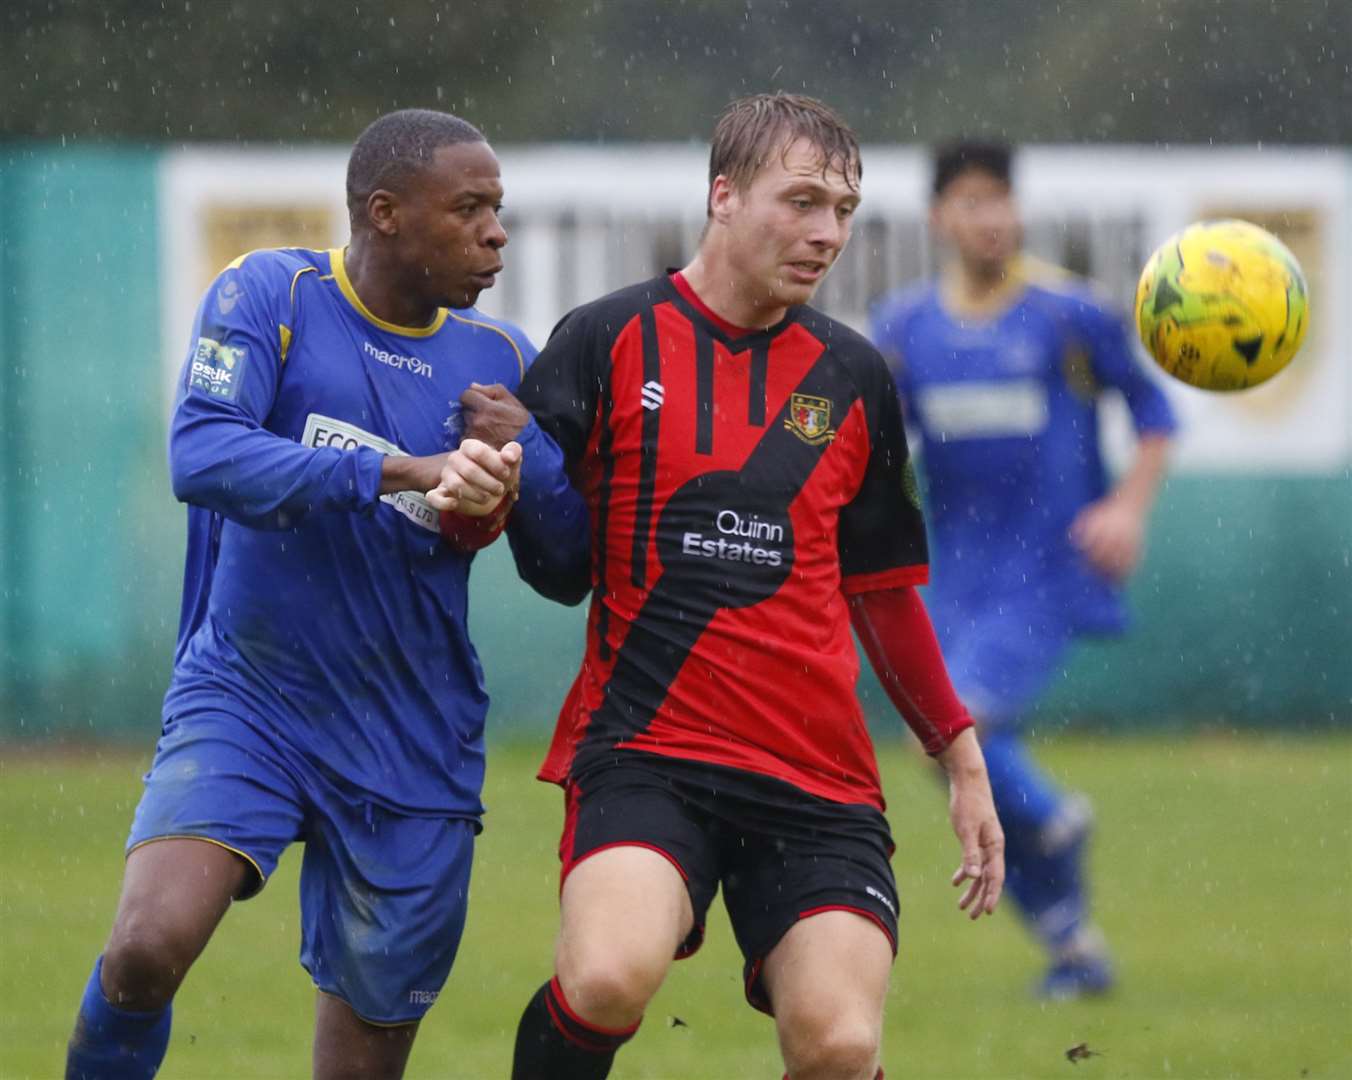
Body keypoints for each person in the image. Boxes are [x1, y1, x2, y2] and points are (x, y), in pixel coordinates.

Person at [438, 93, 1005, 1080]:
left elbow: (882, 593)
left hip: (814, 781)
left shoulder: (853, 377)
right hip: (647, 755)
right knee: (609, 975)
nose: (825, 232)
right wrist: (479, 492)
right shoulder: (607, 339)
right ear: (723, 195)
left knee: (837, 1044)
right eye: (800, 202)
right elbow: (539, 550)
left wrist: (958, 758)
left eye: (842, 208)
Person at [65, 108, 581, 1080]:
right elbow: (203, 452)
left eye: (498, 209)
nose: (496, 232)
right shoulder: (274, 294)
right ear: (384, 214)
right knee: (144, 948)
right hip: (253, 693)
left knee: (359, 1066)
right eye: (468, 208)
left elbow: (569, 569)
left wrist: (530, 464)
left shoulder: (501, 361)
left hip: (412, 733)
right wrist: (406, 469)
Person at [869, 140, 1178, 999]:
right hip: (952, 575)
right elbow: (883, 452)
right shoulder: (905, 330)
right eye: (971, 201)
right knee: (942, 745)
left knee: (952, 730)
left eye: (1001, 199)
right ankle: (1071, 940)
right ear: (940, 219)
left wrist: (1126, 508)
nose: (991, 218)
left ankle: (1048, 816)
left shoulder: (1071, 315)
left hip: (1047, 566)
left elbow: (1156, 414)